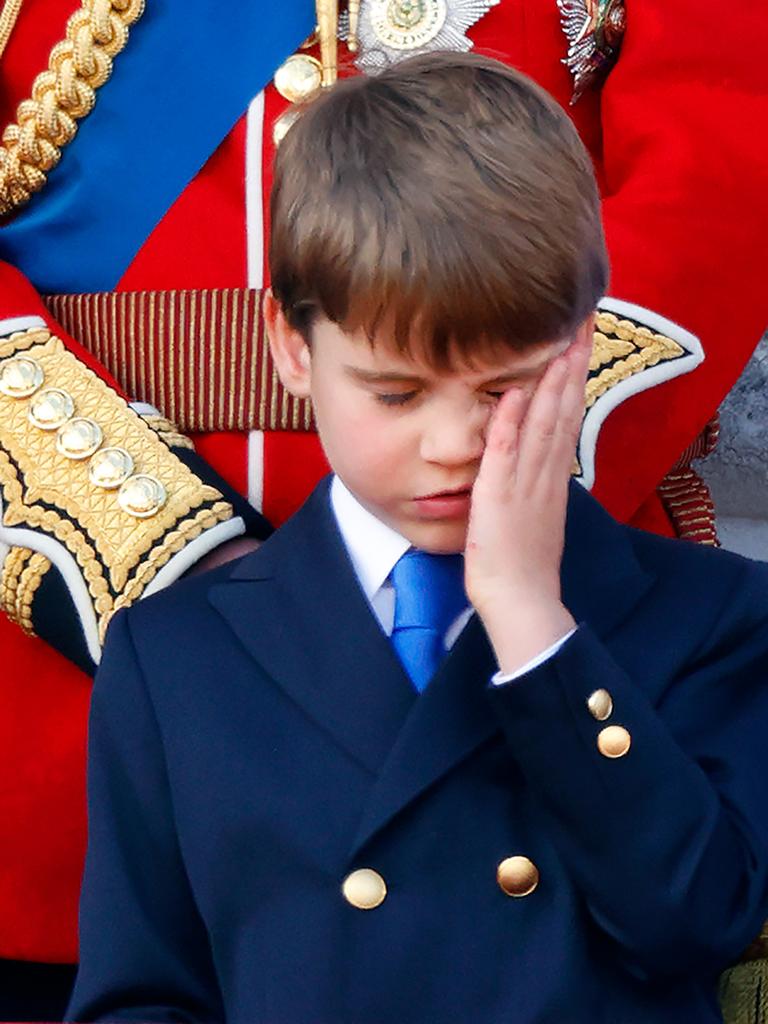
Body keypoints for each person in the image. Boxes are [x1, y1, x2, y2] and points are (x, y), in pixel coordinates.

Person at [3, 2, 768, 1017]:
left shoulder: (706, 621)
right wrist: (164, 566)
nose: (446, 441)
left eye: (485, 397)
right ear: (293, 346)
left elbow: (718, 177)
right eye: (401, 393)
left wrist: (527, 526)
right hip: (81, 664)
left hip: (588, 638)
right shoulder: (175, 661)